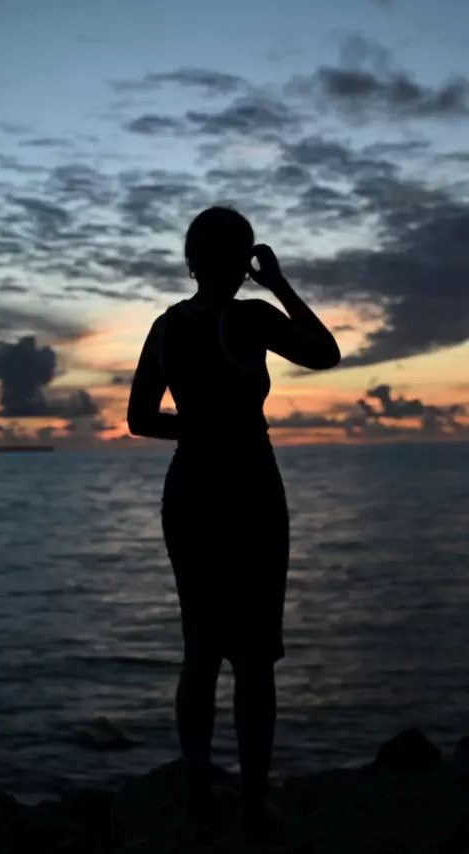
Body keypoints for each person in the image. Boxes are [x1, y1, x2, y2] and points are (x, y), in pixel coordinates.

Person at [127, 206, 340, 841]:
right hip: (247, 490)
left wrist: (197, 427)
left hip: (189, 489)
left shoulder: (166, 326)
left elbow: (140, 418)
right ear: (243, 260)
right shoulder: (249, 317)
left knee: (199, 650)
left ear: (191, 259)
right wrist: (278, 284)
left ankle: (197, 800)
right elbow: (324, 352)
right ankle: (251, 808)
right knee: (252, 658)